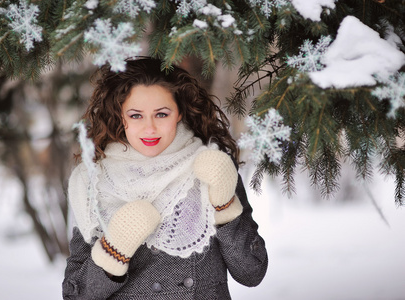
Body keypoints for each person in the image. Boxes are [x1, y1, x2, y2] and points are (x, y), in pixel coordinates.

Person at [62, 57, 268, 300]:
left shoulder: (212, 166)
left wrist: (224, 205)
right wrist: (112, 251)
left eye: (161, 114)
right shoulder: (94, 182)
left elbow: (252, 273)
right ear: (119, 115)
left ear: (179, 112)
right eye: (136, 115)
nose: (150, 129)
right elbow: (75, 295)